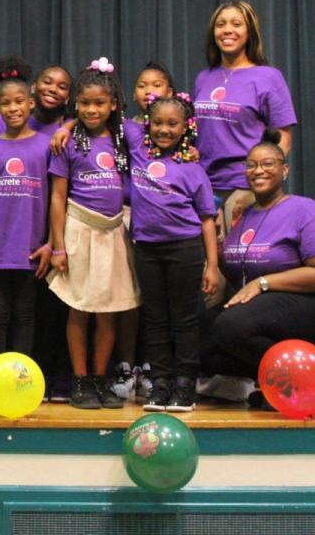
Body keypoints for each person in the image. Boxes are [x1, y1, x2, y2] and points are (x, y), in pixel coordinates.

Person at [200, 131, 315, 404]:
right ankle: (269, 384)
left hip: (312, 304)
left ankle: (305, 382)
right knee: (199, 337)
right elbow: (238, 269)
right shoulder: (245, 216)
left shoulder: (304, 209)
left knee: (230, 326)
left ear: (284, 169)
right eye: (251, 165)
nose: (258, 170)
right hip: (262, 307)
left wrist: (262, 283)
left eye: (268, 164)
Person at [47, 57, 140, 410]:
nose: (91, 109)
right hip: (78, 229)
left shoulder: (124, 137)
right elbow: (57, 196)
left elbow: (158, 129)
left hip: (114, 230)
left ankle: (101, 379)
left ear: (113, 104)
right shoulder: (66, 143)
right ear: (75, 104)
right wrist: (57, 244)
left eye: (100, 103)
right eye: (84, 104)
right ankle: (81, 380)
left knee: (108, 310)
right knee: (79, 308)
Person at [122, 93, 219, 412]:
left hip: (185, 249)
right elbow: (109, 114)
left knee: (184, 319)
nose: (164, 129)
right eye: (158, 123)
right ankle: (161, 384)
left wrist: (212, 266)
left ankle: (184, 385)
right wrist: (66, 128)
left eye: (172, 124)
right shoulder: (138, 152)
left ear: (186, 127)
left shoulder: (192, 168)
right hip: (147, 249)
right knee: (155, 318)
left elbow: (207, 220)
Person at [0, 57, 52, 364]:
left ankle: (21, 380)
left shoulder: (45, 146)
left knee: (26, 314)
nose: (13, 108)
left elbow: (56, 197)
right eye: (5, 103)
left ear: (30, 104)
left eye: (19, 101)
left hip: (31, 246)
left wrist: (52, 241)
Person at [193, 0, 296, 231]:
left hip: (245, 187)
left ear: (249, 32)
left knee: (244, 265)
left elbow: (283, 139)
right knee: (209, 266)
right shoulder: (203, 78)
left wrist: (255, 187)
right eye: (221, 24)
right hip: (204, 187)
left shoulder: (268, 77)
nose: (227, 30)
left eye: (236, 24)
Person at [110, 60, 178, 400]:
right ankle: (125, 364)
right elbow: (84, 126)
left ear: (169, 91)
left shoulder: (180, 129)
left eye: (156, 84)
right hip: (125, 219)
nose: (149, 90)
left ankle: (155, 366)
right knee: (127, 297)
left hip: (163, 225)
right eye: (141, 84)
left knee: (156, 300)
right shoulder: (124, 128)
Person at [30, 64, 72, 132]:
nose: (53, 89)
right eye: (47, 82)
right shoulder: (13, 123)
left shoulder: (73, 131)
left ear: (67, 99)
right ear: (33, 87)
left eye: (62, 87)